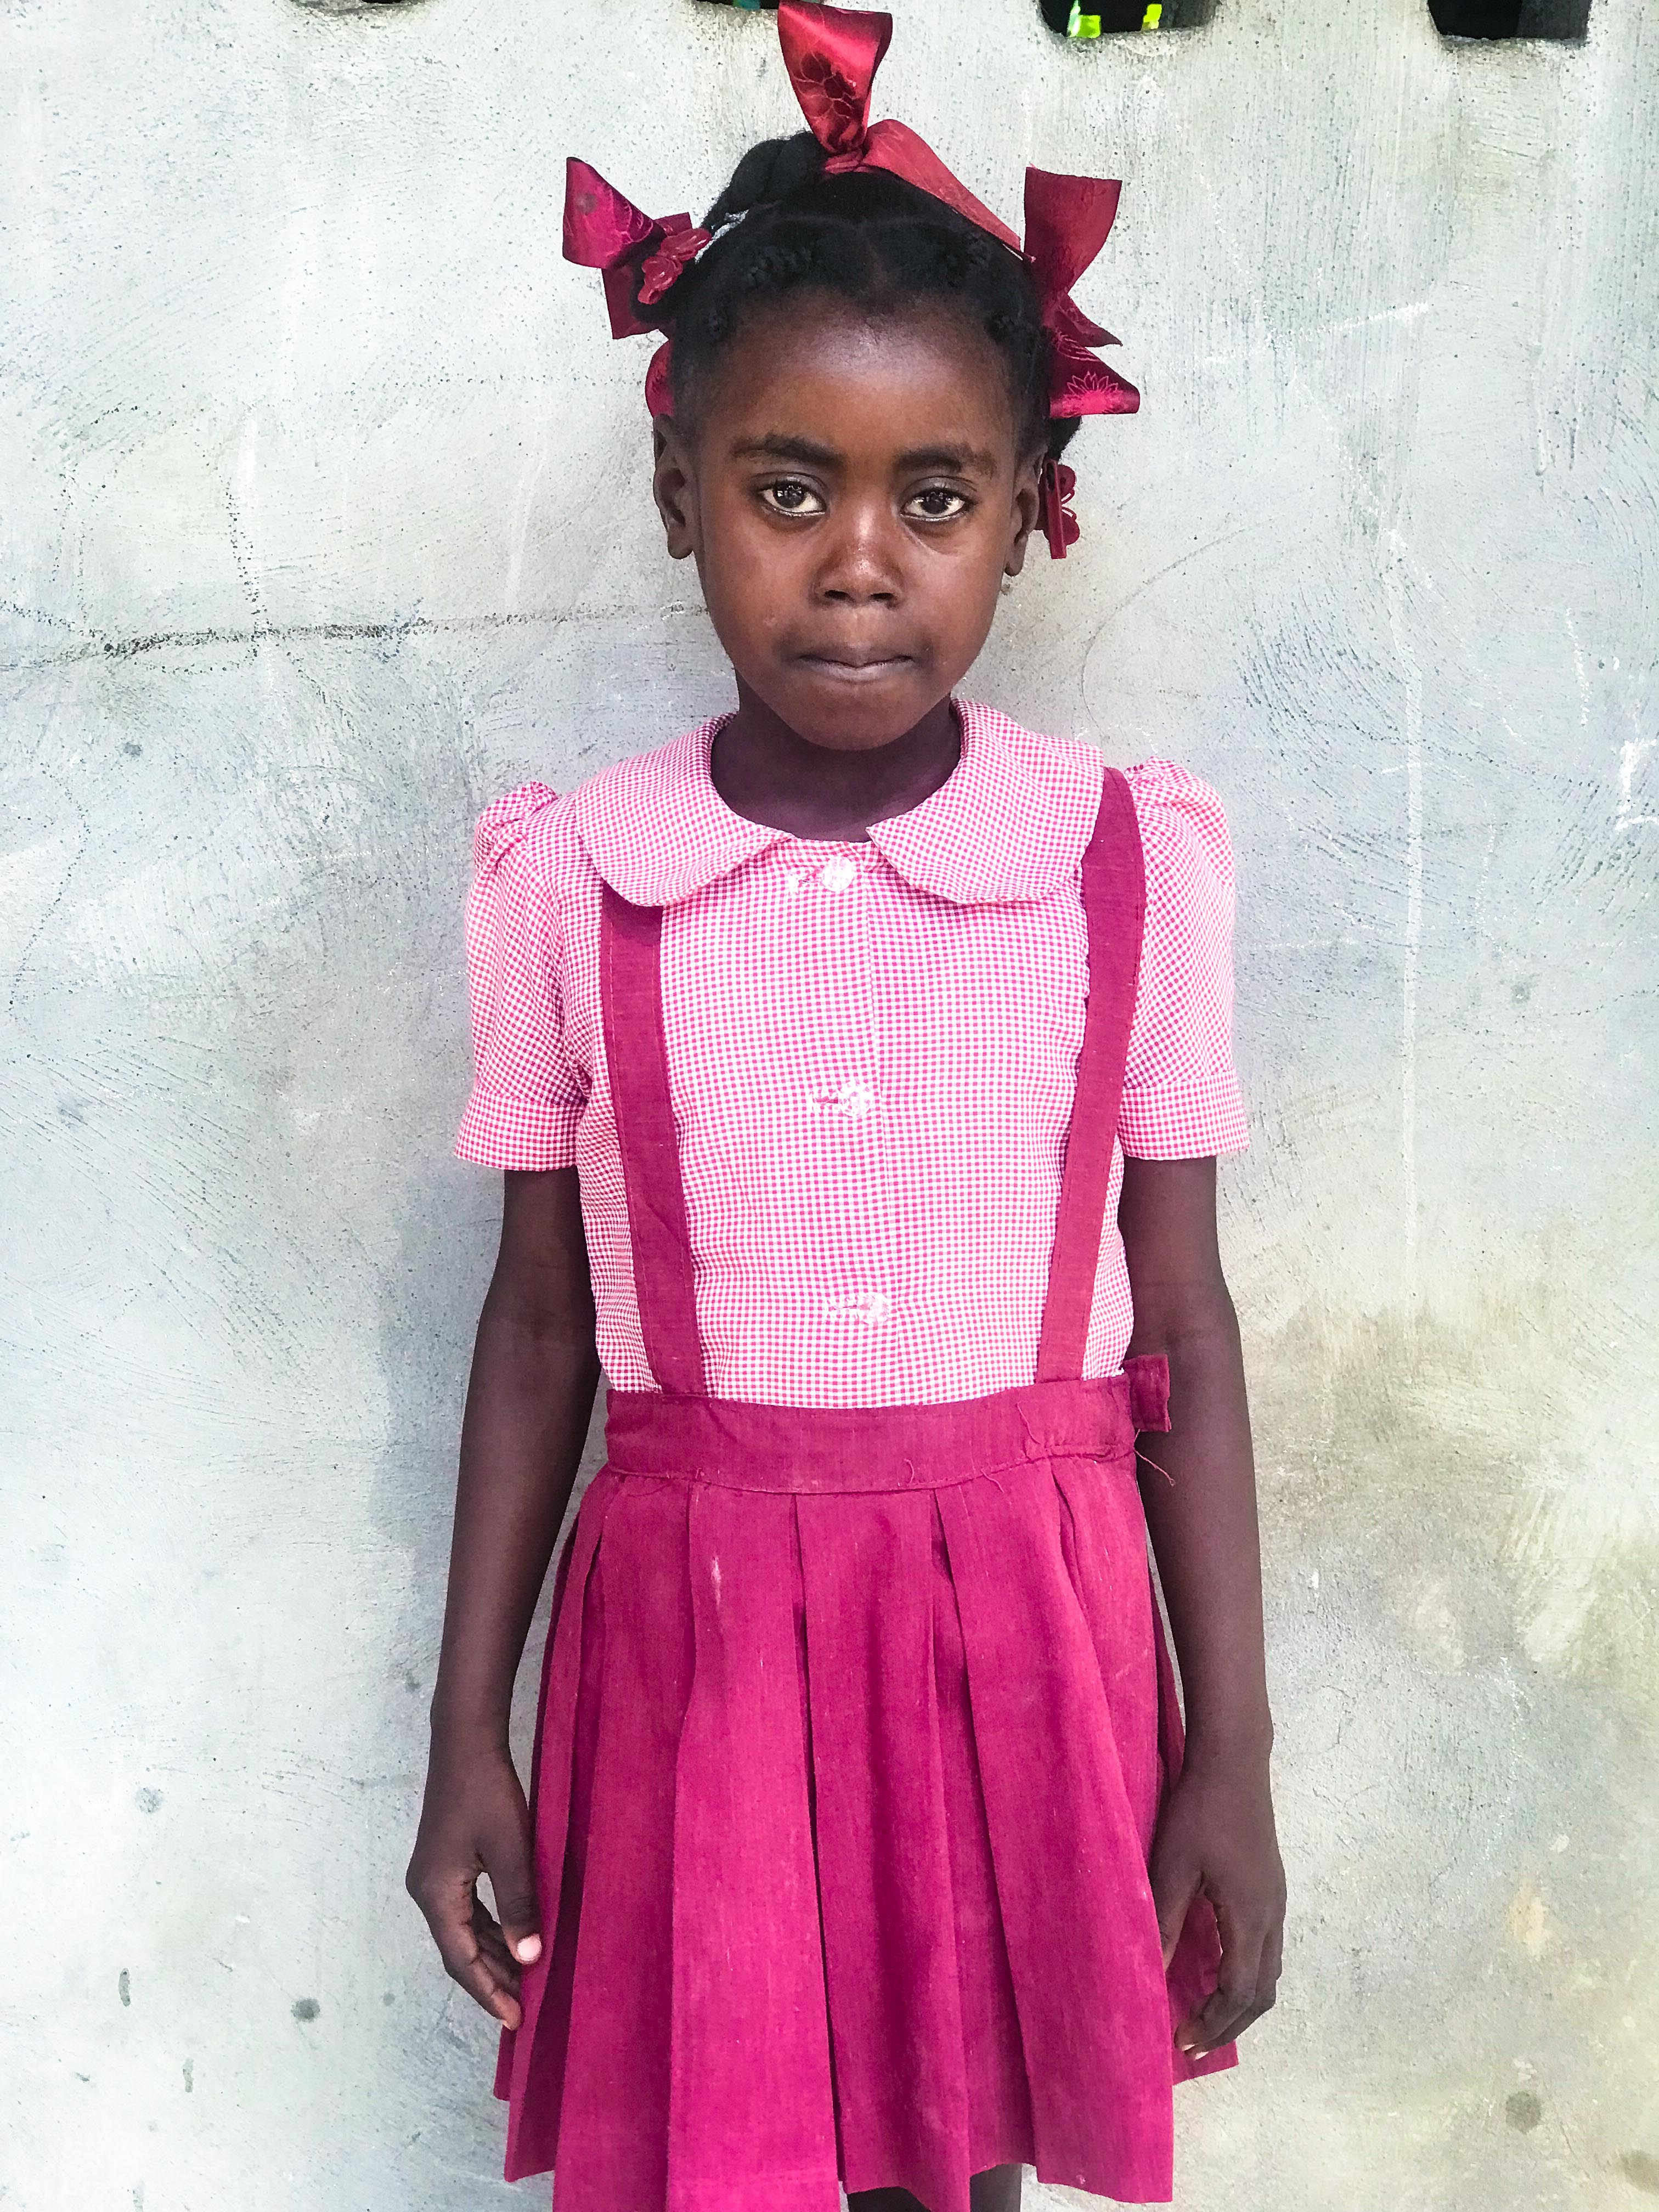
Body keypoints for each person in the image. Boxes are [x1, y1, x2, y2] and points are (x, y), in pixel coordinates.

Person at [405, 7, 1285, 2209]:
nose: (862, 560)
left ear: (1029, 515)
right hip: (700, 1641)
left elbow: (1180, 1318)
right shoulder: (577, 874)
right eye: (788, 489)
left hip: (1031, 1642)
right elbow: (539, 1327)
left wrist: (1235, 1751)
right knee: (723, 2159)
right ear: (680, 495)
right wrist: (463, 1730)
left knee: (962, 2158)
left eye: (937, 497)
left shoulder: (1124, 862)